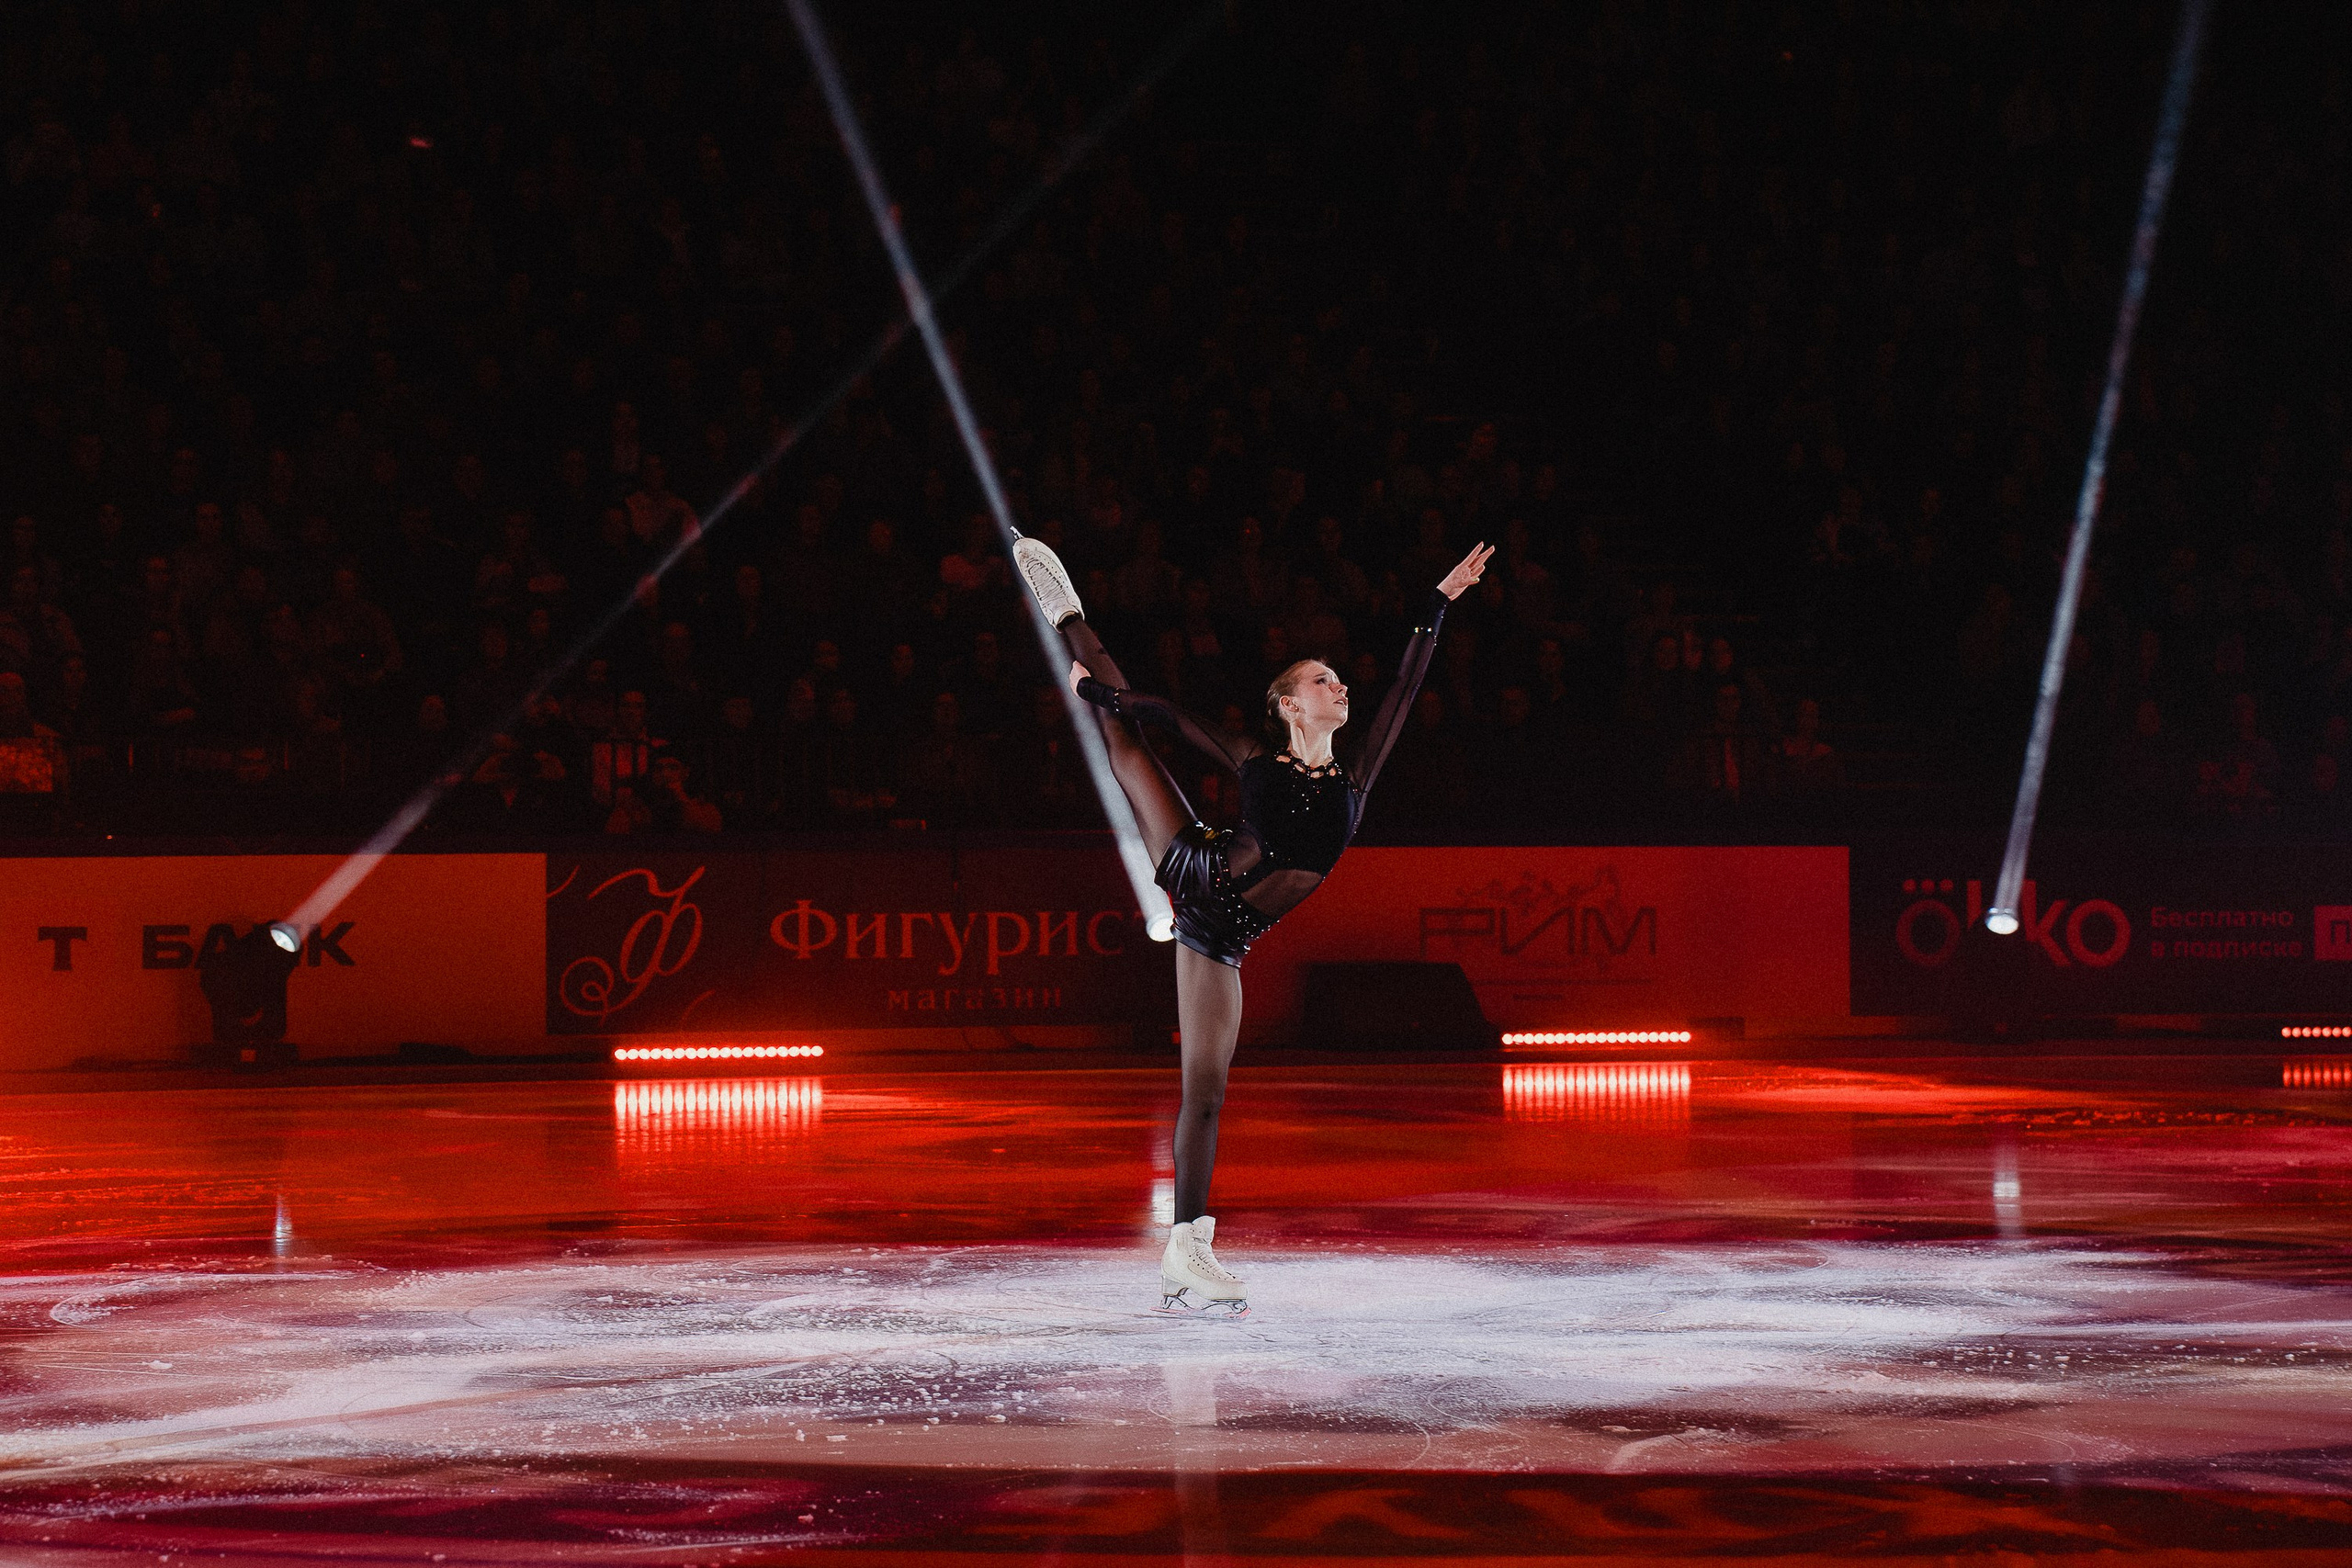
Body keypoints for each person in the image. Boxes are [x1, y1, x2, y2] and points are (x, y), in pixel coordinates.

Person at [1012, 532, 1492, 1316]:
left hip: (1224, 936)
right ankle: (1068, 613)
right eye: (1321, 678)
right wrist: (1098, 693)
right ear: (1289, 705)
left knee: (1206, 1091)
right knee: (1126, 743)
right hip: (1195, 871)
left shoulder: (1356, 776)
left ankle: (1184, 1249)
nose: (1340, 684)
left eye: (1337, 677)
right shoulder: (1256, 760)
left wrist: (1438, 602)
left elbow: (1407, 684)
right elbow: (1171, 715)